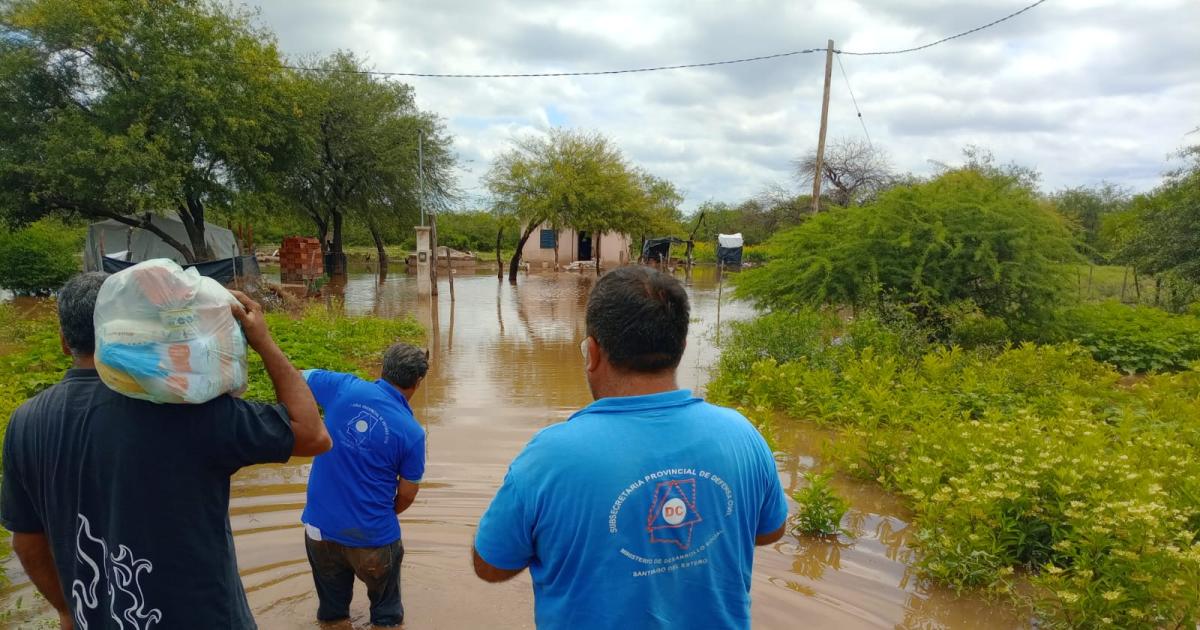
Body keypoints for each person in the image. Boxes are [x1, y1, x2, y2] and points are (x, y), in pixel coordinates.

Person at [0, 272, 331, 629]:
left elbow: (27, 542)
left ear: (65, 342)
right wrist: (263, 341)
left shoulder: (26, 422)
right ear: (139, 329)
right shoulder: (188, 406)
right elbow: (312, 435)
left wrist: (67, 610)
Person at [472, 265, 788, 629]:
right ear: (681, 348)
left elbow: (491, 565)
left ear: (591, 352)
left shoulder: (549, 458)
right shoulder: (742, 435)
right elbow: (770, 531)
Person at [300, 343, 428, 628]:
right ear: (417, 382)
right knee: (386, 618)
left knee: (332, 616)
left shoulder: (344, 387)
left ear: (383, 368)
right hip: (373, 539)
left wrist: (306, 424)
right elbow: (407, 493)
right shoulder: (412, 433)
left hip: (320, 531)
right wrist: (379, 514)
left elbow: (297, 377)